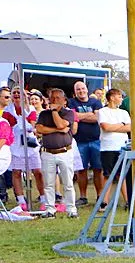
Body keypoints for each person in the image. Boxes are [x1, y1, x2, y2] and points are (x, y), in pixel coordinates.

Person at [36, 88, 79, 218]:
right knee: (48, 183)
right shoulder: (44, 114)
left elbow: (61, 124)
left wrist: (54, 111)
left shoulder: (69, 113)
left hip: (64, 152)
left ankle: (71, 209)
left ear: (64, 100)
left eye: (57, 98)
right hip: (48, 152)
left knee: (68, 183)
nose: (54, 100)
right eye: (52, 98)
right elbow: (39, 129)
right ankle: (50, 209)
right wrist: (57, 130)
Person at [5, 90, 45, 212]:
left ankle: (43, 198)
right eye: (15, 93)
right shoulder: (8, 110)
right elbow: (7, 125)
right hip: (16, 144)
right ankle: (21, 200)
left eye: (19, 93)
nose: (17, 95)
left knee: (37, 171)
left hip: (29, 143)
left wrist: (23, 121)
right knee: (16, 172)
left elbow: (32, 125)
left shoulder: (30, 109)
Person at [67, 81, 103, 206]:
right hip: (79, 141)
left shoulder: (96, 102)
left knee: (98, 169)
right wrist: (89, 114)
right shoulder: (71, 102)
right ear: (75, 91)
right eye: (78, 89)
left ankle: (100, 197)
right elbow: (72, 116)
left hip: (96, 140)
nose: (81, 91)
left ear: (87, 89)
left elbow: (97, 118)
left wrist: (79, 117)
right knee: (81, 170)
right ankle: (83, 197)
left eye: (83, 88)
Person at [97, 88, 131, 208]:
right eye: (119, 96)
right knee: (108, 175)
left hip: (122, 146)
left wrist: (114, 127)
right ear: (112, 98)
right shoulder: (102, 111)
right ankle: (104, 202)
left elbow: (129, 128)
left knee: (122, 174)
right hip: (108, 147)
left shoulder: (124, 113)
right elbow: (106, 127)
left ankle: (128, 201)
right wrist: (121, 124)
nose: (121, 99)